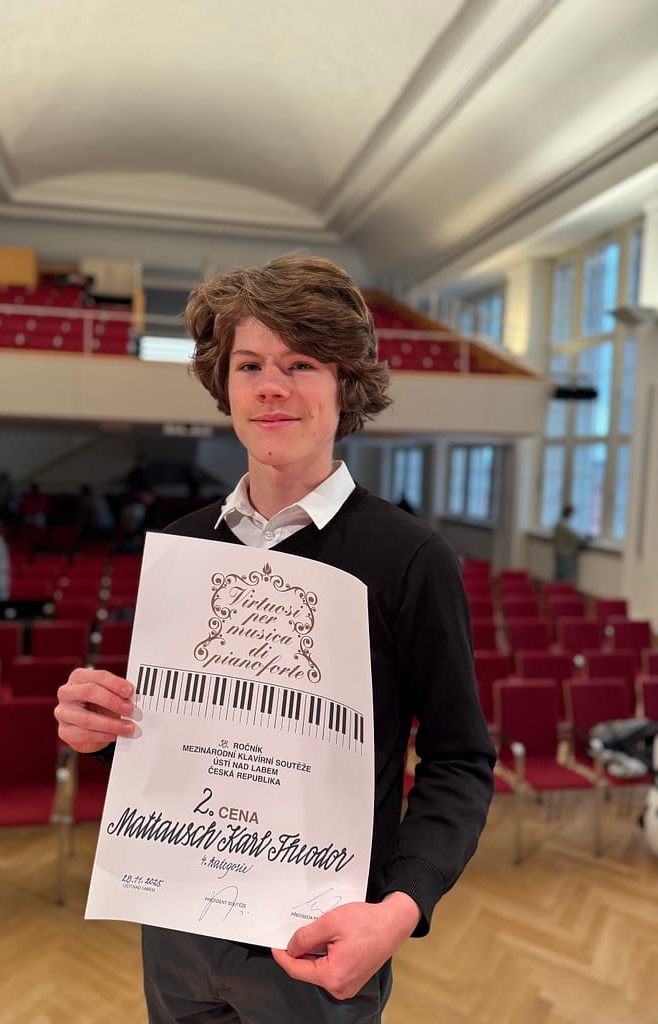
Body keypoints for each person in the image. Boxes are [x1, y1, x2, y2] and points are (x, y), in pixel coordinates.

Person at [55, 254, 495, 1023]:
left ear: (345, 383)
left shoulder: (411, 558)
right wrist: (100, 730)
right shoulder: (183, 544)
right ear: (224, 385)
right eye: (250, 364)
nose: (271, 386)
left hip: (319, 945)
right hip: (179, 932)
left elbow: (459, 761)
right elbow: (169, 744)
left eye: (301, 364)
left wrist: (395, 913)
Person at [552, 503, 586, 582]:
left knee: (559, 576)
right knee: (565, 578)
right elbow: (576, 537)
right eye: (572, 513)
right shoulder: (564, 525)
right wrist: (585, 538)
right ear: (569, 513)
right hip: (565, 555)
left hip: (559, 553)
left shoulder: (559, 523)